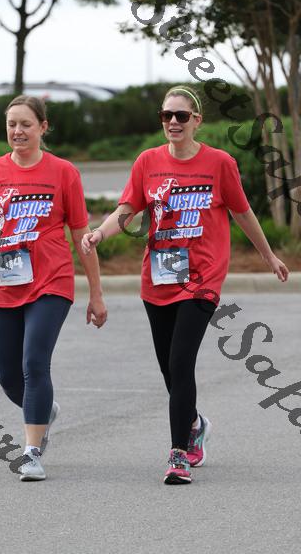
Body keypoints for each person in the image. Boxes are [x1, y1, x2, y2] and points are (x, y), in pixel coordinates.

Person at [82, 85, 289, 485]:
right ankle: (194, 423)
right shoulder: (147, 162)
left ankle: (178, 454)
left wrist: (268, 256)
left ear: (197, 120)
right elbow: (128, 208)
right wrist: (100, 233)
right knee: (169, 370)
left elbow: (242, 212)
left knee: (180, 363)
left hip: (201, 279)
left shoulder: (219, 163)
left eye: (181, 116)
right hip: (158, 277)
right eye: (167, 116)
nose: (173, 122)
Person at [0, 95, 107, 481]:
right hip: (4, 284)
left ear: (43, 127)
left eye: (26, 124)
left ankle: (31, 451)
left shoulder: (64, 173)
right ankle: (43, 411)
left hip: (51, 282)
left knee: (34, 364)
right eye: (12, 124)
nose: (18, 131)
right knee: (10, 377)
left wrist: (96, 293)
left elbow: (81, 235)